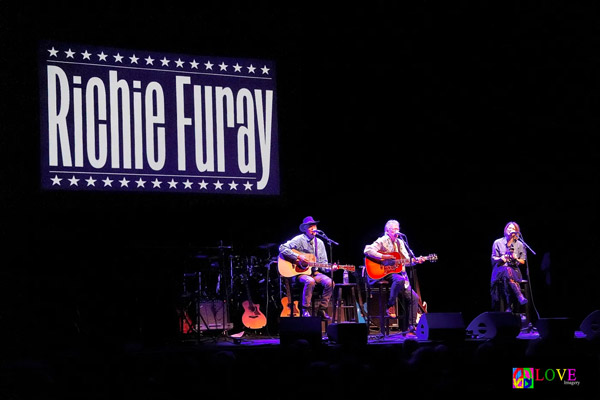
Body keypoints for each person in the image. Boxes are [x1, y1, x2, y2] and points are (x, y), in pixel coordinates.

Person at [364, 219, 424, 334]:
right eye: (394, 229)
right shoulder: (382, 240)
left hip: (399, 274)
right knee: (399, 280)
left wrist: (416, 261)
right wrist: (383, 256)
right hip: (385, 274)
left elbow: (406, 261)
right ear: (387, 230)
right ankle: (390, 306)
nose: (397, 231)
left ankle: (410, 328)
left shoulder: (400, 242)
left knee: (414, 298)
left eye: (398, 228)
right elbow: (367, 250)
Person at [278, 216, 334, 320]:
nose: (313, 228)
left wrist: (330, 268)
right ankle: (305, 309)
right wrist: (298, 256)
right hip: (300, 274)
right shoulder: (299, 239)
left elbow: (324, 264)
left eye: (314, 226)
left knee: (330, 282)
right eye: (310, 227)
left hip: (314, 272)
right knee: (310, 281)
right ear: (305, 229)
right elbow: (282, 248)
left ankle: (322, 309)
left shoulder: (320, 243)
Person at [490, 221, 528, 312]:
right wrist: (501, 258)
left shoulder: (520, 244)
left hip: (514, 270)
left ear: (516, 232)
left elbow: (523, 261)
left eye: (512, 228)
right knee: (506, 270)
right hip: (499, 270)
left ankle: (509, 306)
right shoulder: (497, 242)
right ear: (505, 230)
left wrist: (516, 259)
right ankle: (518, 297)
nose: (510, 229)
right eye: (508, 228)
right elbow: (493, 258)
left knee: (508, 273)